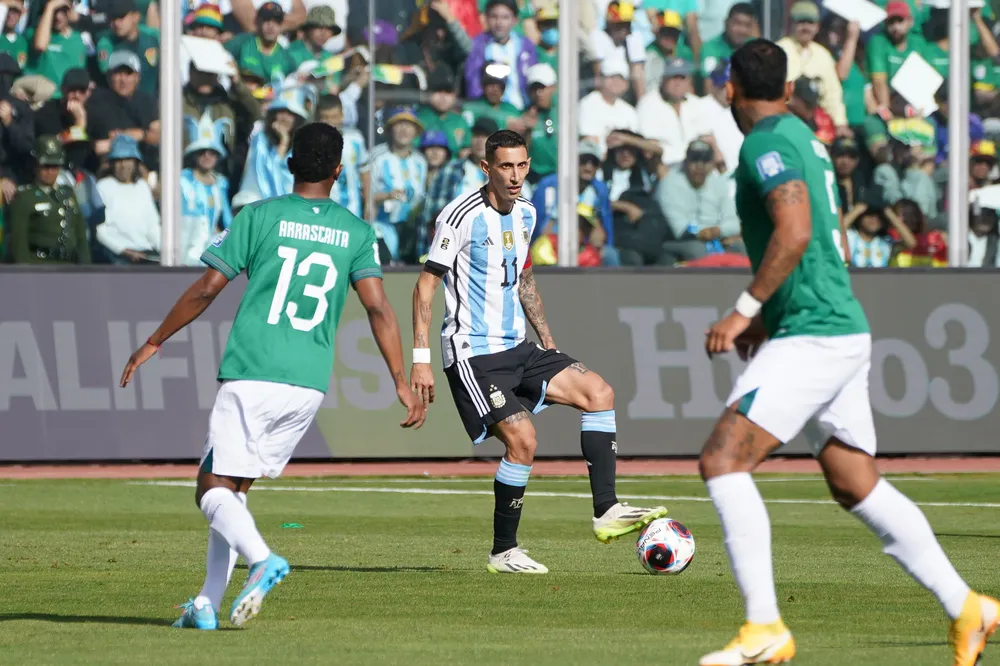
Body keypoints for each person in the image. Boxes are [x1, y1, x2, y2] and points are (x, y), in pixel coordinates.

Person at [698, 39, 999, 666]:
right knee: (853, 479)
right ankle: (969, 608)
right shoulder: (803, 135)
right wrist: (768, 318)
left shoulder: (766, 143)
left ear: (730, 88)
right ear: (785, 88)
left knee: (724, 462)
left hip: (816, 332)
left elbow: (797, 230)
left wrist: (746, 310)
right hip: (831, 324)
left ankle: (765, 629)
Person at [119, 122, 424, 631]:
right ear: (338, 170)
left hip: (253, 371)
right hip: (306, 384)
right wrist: (399, 377)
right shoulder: (355, 231)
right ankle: (206, 604)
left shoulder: (257, 216)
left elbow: (205, 288)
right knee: (233, 489)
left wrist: (155, 340)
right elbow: (380, 311)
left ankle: (263, 559)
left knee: (209, 489)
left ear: (289, 165)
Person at [410, 130, 667, 574]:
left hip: (519, 346)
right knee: (524, 440)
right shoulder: (460, 216)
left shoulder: (527, 214)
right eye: (506, 167)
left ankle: (605, 510)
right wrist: (420, 360)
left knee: (599, 392)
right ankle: (503, 551)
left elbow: (525, 278)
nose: (515, 176)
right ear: (487, 168)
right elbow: (426, 284)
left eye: (522, 166)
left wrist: (546, 337)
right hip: (473, 352)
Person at [7, 136, 90, 264]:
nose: (50, 171)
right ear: (36, 165)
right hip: (39, 267)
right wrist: (24, 275)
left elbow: (80, 237)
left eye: (55, 166)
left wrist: (86, 269)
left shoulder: (67, 193)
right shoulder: (24, 198)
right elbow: (19, 244)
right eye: (45, 166)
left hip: (71, 267)